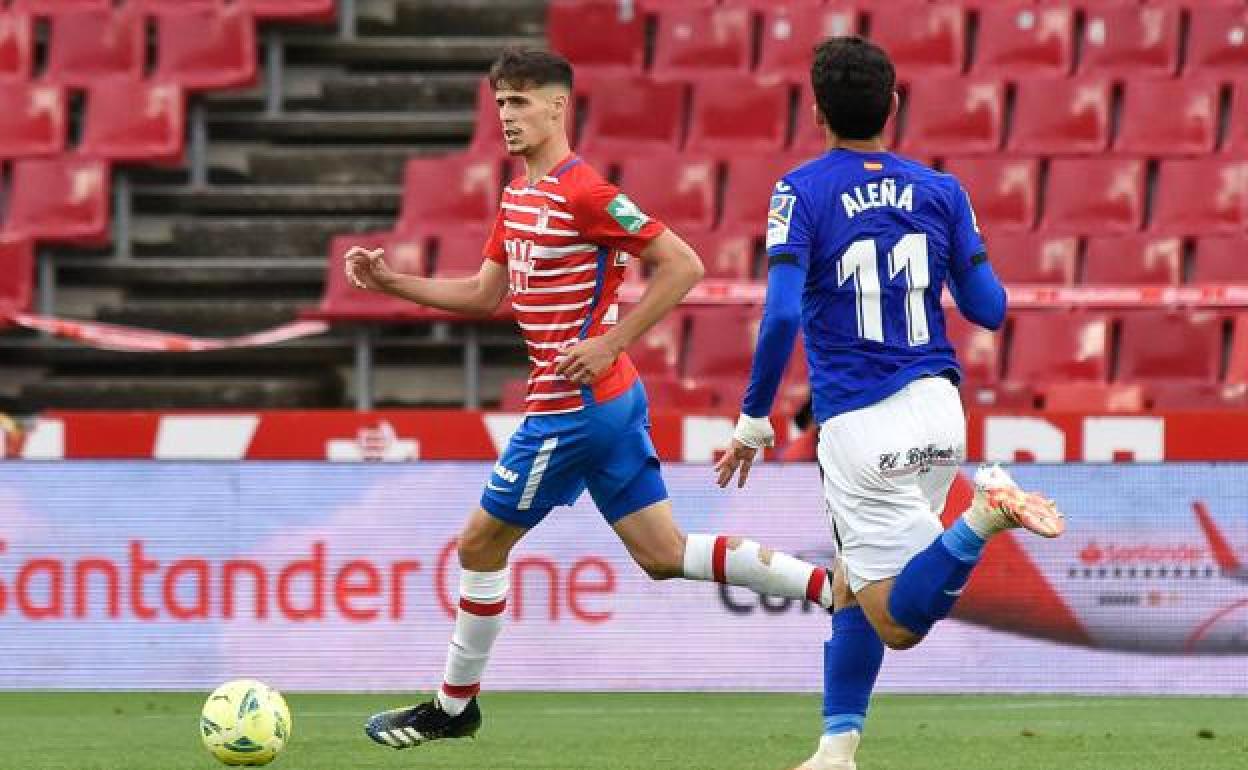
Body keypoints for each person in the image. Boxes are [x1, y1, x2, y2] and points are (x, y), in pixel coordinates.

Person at [346, 48, 843, 751]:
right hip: (604, 405)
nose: (507, 117)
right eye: (500, 103)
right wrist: (393, 282)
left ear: (558, 106)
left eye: (520, 102)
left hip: (570, 407)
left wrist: (612, 342)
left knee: (480, 542)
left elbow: (683, 264)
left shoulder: (586, 192)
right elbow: (486, 295)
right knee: (664, 554)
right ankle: (828, 588)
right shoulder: (518, 198)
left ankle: (454, 707)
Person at [713, 37, 1066, 770]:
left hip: (860, 424)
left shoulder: (800, 191)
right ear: (894, 107)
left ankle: (983, 515)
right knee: (851, 575)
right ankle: (837, 746)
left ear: (816, 112)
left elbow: (780, 318)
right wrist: (963, 249)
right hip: (939, 410)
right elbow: (991, 309)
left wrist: (752, 420)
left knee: (897, 621)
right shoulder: (943, 191)